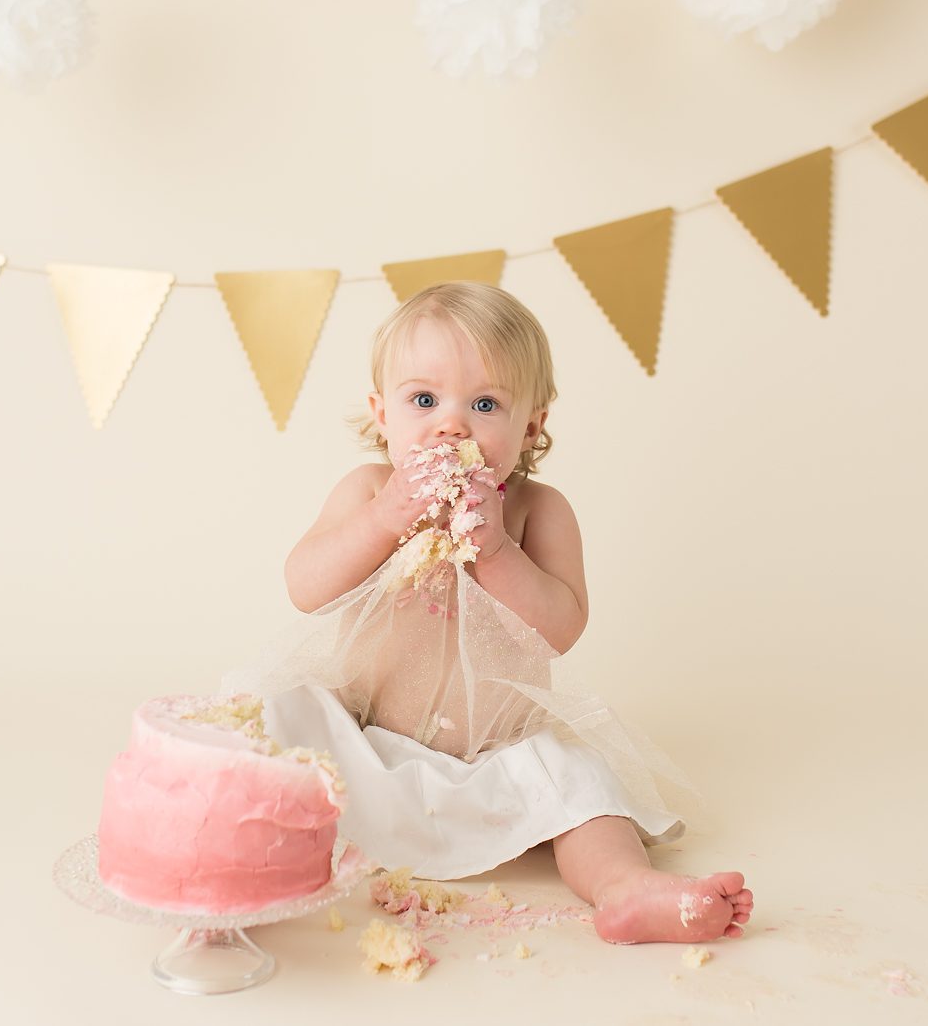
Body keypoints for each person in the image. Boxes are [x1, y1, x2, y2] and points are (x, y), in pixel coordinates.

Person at [222, 281, 752, 943]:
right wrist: (385, 519)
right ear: (380, 414)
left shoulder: (538, 510)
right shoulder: (366, 490)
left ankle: (625, 887)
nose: (450, 424)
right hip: (360, 744)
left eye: (484, 403)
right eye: (422, 399)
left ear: (531, 424)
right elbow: (306, 586)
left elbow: (558, 629)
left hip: (496, 757)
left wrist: (496, 549)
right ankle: (229, 866)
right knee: (264, 708)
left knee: (582, 777)